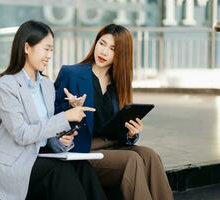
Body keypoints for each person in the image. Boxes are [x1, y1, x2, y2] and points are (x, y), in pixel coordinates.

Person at [0, 20, 107, 200]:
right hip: (15, 162)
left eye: (51, 50)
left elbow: (47, 135)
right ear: (27, 47)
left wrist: (62, 140)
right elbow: (22, 134)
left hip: (42, 156)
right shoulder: (6, 86)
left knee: (83, 167)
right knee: (60, 171)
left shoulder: (46, 85)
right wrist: (65, 117)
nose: (49, 55)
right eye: (46, 49)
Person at [54, 24, 173, 200]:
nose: (104, 52)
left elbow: (120, 128)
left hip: (113, 144)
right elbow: (52, 117)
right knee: (132, 160)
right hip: (84, 148)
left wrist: (132, 134)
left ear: (122, 54)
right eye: (102, 43)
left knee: (150, 155)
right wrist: (71, 108)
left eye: (113, 49)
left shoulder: (120, 82)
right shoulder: (71, 73)